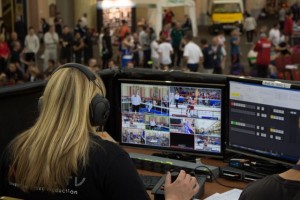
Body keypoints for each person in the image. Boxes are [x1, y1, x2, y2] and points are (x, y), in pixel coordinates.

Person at [0, 64, 199, 200]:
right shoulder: (108, 159)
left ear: (44, 105)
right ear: (98, 111)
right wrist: (175, 197)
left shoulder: (14, 151)